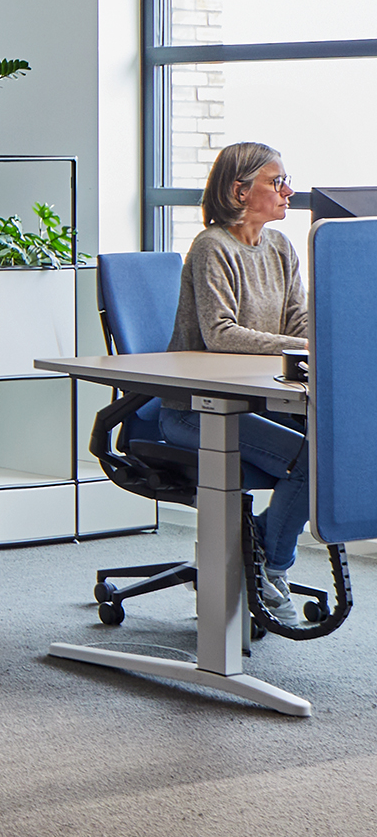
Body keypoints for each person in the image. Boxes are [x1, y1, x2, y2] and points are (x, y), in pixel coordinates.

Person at [157, 140, 310, 626]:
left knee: (338, 451)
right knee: (309, 460)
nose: (288, 191)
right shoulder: (212, 247)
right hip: (196, 410)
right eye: (277, 181)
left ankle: (255, 547)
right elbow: (220, 333)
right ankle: (271, 564)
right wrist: (304, 345)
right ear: (240, 191)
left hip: (257, 404)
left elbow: (299, 320)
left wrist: (332, 335)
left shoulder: (280, 246)